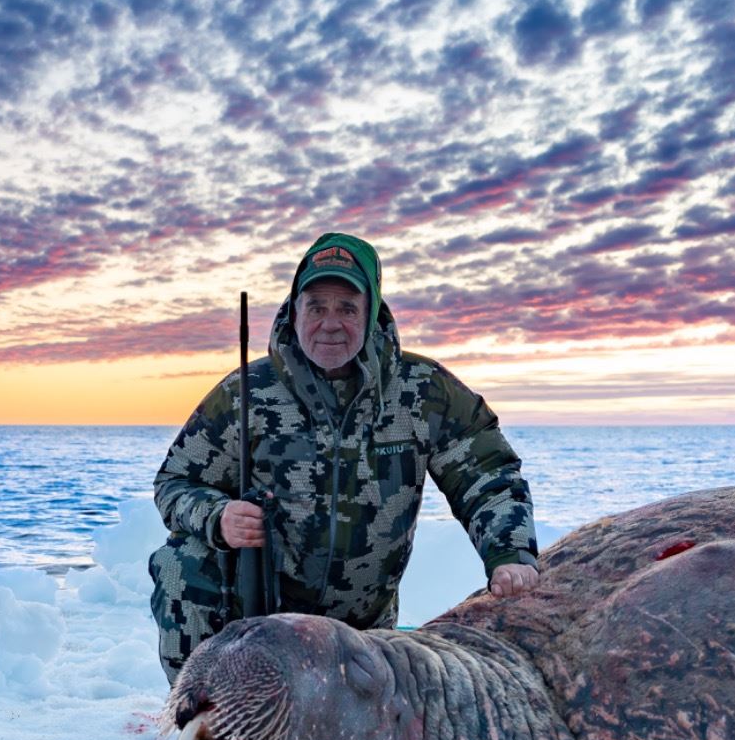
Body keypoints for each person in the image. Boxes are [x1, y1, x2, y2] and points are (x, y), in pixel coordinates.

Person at [148, 231, 540, 682]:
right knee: (180, 562)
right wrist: (219, 517)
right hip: (256, 619)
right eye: (316, 307)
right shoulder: (246, 394)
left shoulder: (423, 390)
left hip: (362, 633)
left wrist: (510, 552)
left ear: (371, 314)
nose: (330, 324)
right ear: (295, 311)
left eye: (347, 309)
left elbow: (487, 474)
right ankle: (202, 707)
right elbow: (174, 483)